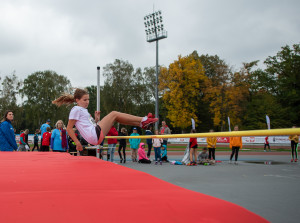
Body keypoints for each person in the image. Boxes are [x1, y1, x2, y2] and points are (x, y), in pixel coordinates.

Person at [52, 88, 158, 153]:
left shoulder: (83, 111)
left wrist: (97, 120)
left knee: (116, 118)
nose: (87, 102)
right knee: (114, 114)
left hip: (94, 136)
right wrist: (77, 143)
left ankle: (141, 124)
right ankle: (143, 120)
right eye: (85, 100)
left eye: (88, 99)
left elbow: (90, 126)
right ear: (77, 100)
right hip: (93, 136)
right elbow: (69, 128)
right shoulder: (76, 109)